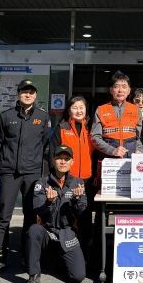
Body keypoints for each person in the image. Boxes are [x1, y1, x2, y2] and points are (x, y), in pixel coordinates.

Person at [0, 79, 51, 274]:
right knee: (4, 216)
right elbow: (0, 142)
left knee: (30, 215)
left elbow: (44, 143)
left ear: (35, 95)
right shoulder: (6, 116)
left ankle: (27, 255)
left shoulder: (42, 117)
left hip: (32, 173)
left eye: (31, 92)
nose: (28, 95)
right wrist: (7, 162)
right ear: (18, 93)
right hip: (10, 172)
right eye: (25, 91)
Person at [25, 145, 87, 283]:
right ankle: (34, 275)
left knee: (77, 276)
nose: (63, 161)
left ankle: (57, 260)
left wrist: (77, 200)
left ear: (72, 162)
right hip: (47, 231)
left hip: (67, 234)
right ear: (53, 160)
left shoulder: (78, 182)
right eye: (59, 158)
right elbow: (38, 210)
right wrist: (49, 202)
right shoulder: (42, 183)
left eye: (67, 159)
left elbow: (82, 213)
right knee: (34, 230)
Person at [47, 96, 94, 253]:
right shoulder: (62, 128)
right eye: (74, 107)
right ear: (68, 110)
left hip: (87, 180)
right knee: (66, 217)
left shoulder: (92, 128)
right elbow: (52, 154)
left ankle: (84, 253)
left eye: (81, 107)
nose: (78, 111)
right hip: (67, 180)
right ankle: (64, 251)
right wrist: (56, 178)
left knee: (85, 217)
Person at [90, 70, 143, 163]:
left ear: (129, 90)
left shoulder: (135, 110)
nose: (120, 90)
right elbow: (95, 137)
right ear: (111, 90)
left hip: (131, 158)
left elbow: (140, 137)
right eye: (116, 86)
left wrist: (139, 150)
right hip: (108, 158)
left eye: (124, 87)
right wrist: (112, 151)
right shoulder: (101, 110)